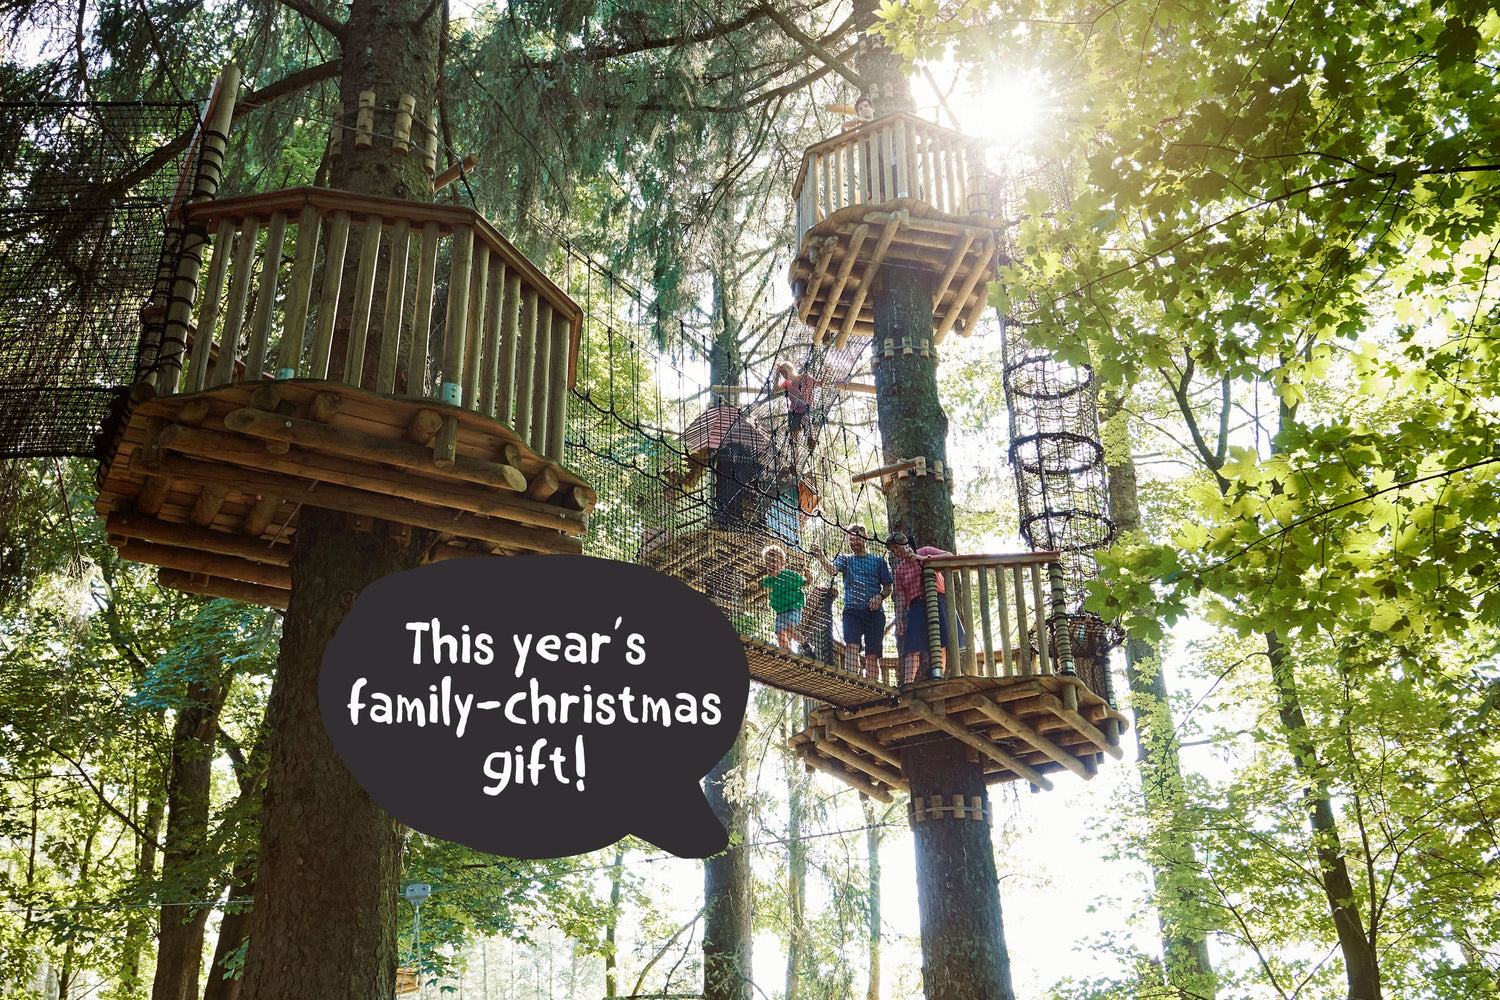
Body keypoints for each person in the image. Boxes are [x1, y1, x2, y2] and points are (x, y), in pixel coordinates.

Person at [809, 526, 892, 681]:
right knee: (852, 647)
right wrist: (820, 555)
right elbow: (832, 570)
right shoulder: (845, 559)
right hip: (852, 611)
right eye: (850, 539)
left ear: (866, 537)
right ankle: (853, 681)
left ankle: (873, 685)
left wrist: (879, 597)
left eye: (857, 537)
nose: (853, 541)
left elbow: (888, 587)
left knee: (872, 654)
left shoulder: (878, 562)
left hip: (874, 613)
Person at [888, 532, 961, 685]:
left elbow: (949, 555)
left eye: (896, 547)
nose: (896, 552)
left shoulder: (925, 551)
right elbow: (900, 597)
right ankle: (907, 683)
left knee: (940, 640)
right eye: (893, 550)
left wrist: (924, 559)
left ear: (904, 542)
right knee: (912, 646)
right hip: (916, 606)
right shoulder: (900, 571)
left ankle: (938, 675)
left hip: (937, 599)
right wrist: (900, 618)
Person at [760, 544, 806, 653]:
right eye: (767, 563)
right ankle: (789, 654)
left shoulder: (790, 576)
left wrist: (809, 577)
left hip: (793, 608)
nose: (771, 565)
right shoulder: (769, 580)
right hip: (780, 612)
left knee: (790, 629)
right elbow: (765, 585)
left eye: (774, 562)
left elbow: (805, 583)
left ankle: (805, 645)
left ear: (783, 563)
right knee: (780, 634)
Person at [776, 362, 817, 466]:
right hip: (793, 411)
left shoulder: (804, 377)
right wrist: (777, 375)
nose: (784, 375)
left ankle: (809, 437)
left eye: (785, 372)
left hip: (806, 409)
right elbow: (774, 390)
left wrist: (826, 373)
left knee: (805, 418)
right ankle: (796, 462)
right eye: (782, 374)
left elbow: (818, 384)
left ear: (791, 369)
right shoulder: (786, 383)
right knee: (794, 438)